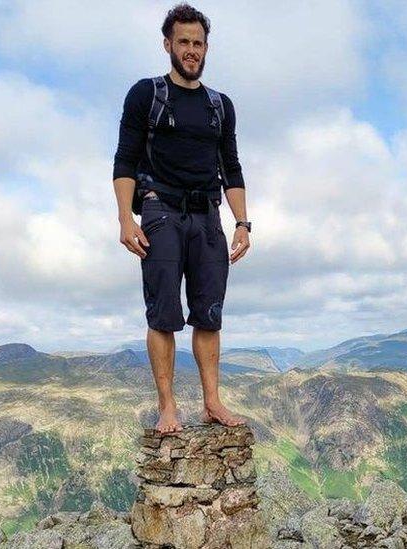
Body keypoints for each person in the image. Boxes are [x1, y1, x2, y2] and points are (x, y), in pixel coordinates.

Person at [112, 3, 251, 433]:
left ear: (207, 48)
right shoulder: (146, 95)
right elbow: (125, 160)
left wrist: (243, 224)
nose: (192, 50)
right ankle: (167, 406)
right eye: (184, 42)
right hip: (159, 211)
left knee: (209, 313)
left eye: (198, 43)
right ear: (168, 44)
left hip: (207, 216)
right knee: (164, 314)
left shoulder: (219, 106)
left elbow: (232, 167)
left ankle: (212, 402)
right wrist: (124, 219)